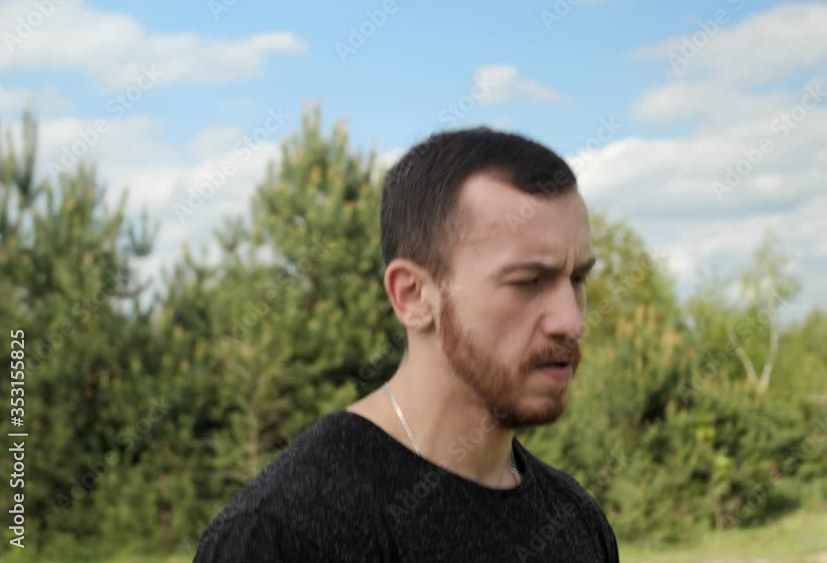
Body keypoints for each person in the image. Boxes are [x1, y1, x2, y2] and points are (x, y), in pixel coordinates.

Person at [192, 127, 620, 562]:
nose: (571, 321)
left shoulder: (576, 521)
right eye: (529, 281)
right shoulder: (284, 533)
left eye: (578, 279)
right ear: (413, 296)